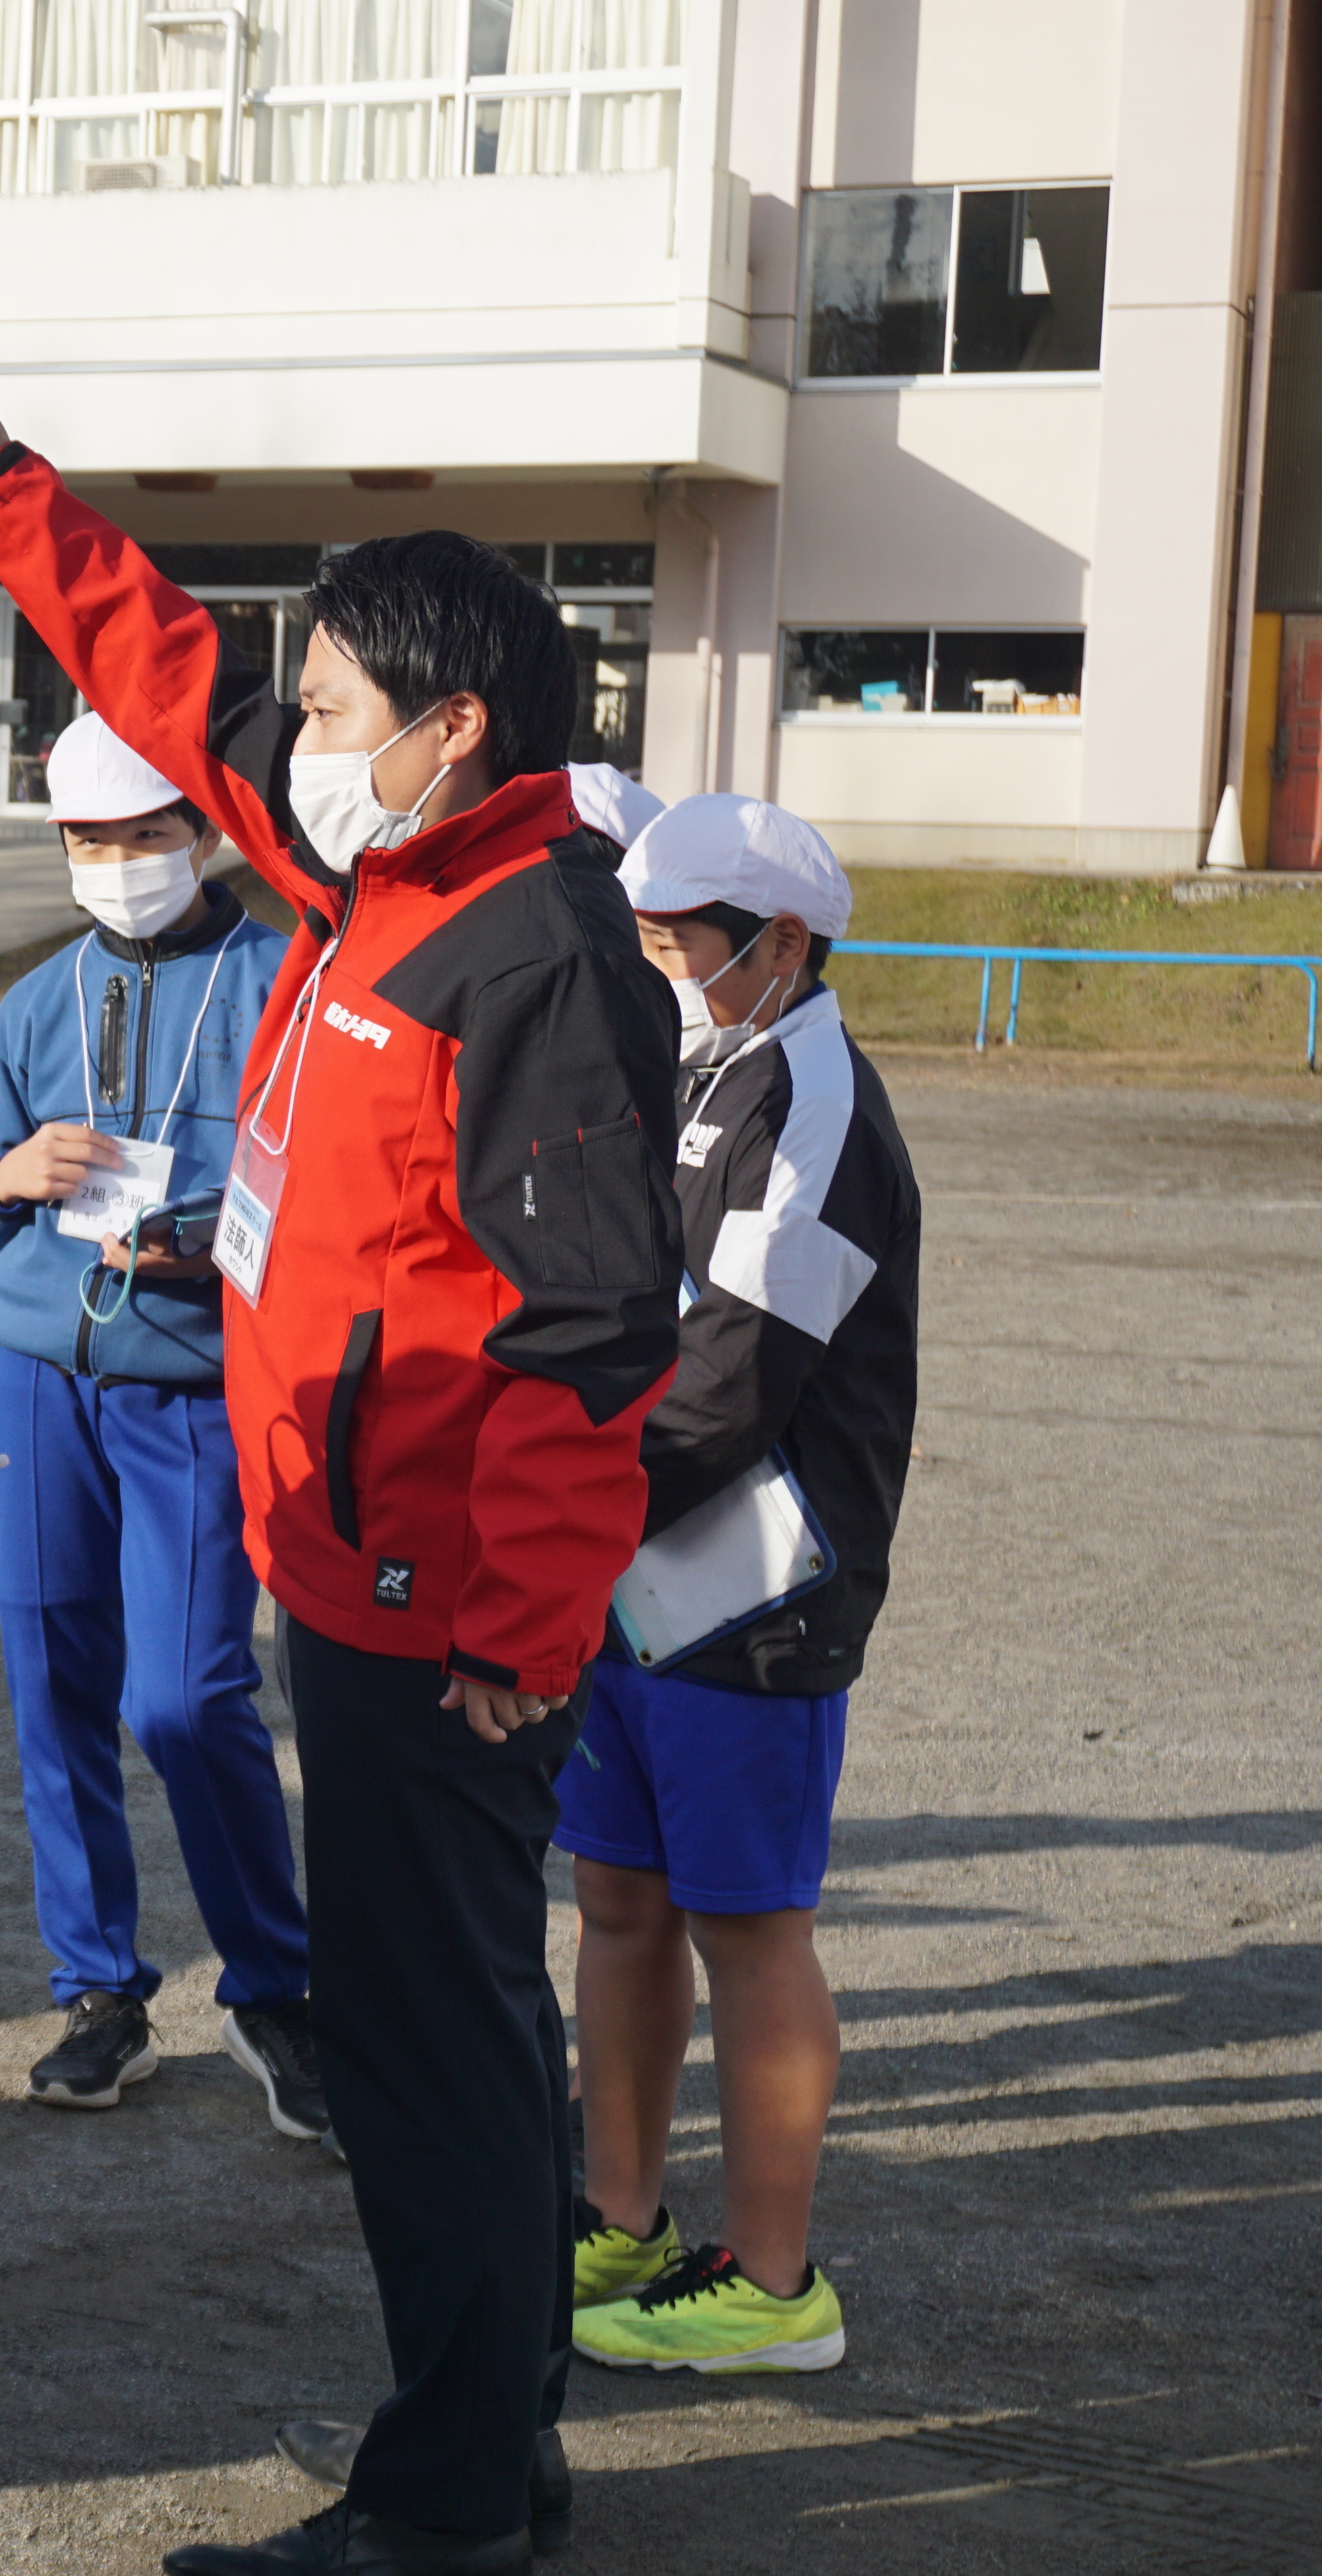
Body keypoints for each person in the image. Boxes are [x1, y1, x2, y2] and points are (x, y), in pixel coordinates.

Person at [0, 322, 684, 2576]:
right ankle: (490, 2440)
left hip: (444, 1628)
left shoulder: (532, 950)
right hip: (352, 1579)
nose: (296, 744)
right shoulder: (383, 872)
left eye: (338, 710)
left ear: (454, 731)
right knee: (435, 2035)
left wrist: (525, 1643)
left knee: (433, 2059)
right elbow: (179, 690)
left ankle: (449, 2502)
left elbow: (585, 1337)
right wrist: (9, 491)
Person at [559, 793, 916, 2377]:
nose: (654, 962)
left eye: (674, 940)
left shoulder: (821, 1097)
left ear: (780, 944)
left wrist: (560, 1504)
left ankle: (777, 2284)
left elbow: (736, 1377)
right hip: (633, 1562)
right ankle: (618, 2219)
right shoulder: (701, 1053)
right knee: (620, 1900)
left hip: (754, 1581)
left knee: (749, 1925)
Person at [0, 713, 320, 2134]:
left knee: (185, 1695)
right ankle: (99, 1989)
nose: (117, 864)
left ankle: (275, 1985)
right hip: (39, 1380)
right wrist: (20, 1173)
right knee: (48, 1678)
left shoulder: (281, 979)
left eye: (146, 836)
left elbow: (326, 1211)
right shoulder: (37, 998)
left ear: (208, 831)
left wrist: (209, 1246)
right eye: (89, 842)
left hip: (201, 1389)